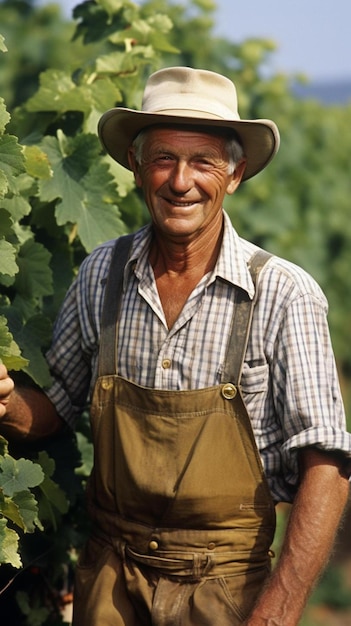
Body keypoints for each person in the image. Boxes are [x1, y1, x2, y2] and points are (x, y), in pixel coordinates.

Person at [0, 66, 350, 626]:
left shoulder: (283, 294)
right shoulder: (100, 275)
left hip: (226, 592)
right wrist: (7, 402)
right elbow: (58, 405)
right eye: (163, 158)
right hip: (109, 583)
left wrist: (277, 614)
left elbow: (327, 465)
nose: (180, 181)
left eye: (203, 162)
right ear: (137, 167)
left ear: (234, 176)